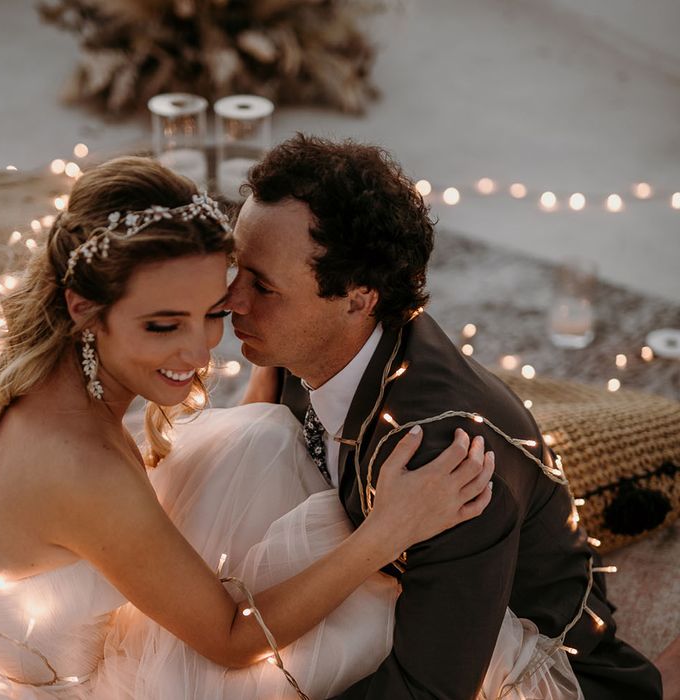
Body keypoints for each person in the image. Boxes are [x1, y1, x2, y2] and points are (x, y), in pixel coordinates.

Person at [0, 156, 496, 699]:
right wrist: (386, 532)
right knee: (365, 618)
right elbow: (234, 641)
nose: (197, 353)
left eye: (214, 312)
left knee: (259, 434)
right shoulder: (79, 463)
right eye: (164, 325)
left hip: (40, 602)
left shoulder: (51, 376)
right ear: (84, 307)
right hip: (61, 680)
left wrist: (266, 377)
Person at [227, 134, 665, 699]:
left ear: (359, 298)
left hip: (504, 659)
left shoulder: (447, 462)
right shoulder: (305, 345)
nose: (232, 301)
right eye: (237, 269)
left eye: (262, 286)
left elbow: (428, 688)